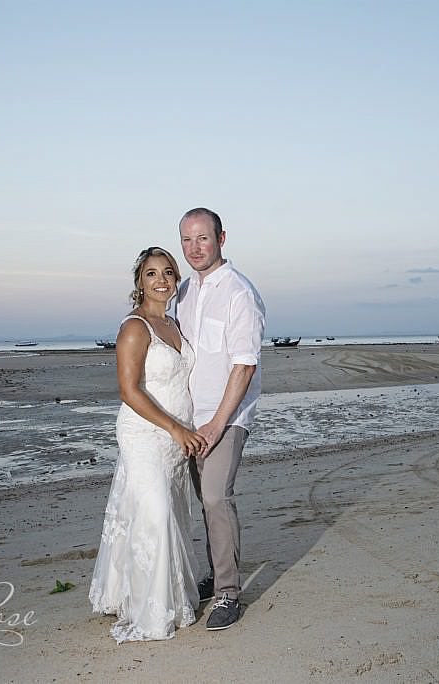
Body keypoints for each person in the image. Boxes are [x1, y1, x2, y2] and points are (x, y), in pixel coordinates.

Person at [89, 246, 207, 642]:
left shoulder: (175, 324)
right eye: (152, 273)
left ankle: (160, 595)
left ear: (176, 280)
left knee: (171, 513)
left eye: (169, 273)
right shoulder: (135, 328)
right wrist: (175, 429)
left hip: (179, 437)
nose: (162, 280)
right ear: (140, 282)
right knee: (156, 514)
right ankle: (151, 610)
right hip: (145, 433)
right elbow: (129, 390)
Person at [176, 207, 266, 631]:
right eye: (187, 240)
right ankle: (217, 572)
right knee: (203, 501)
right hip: (189, 417)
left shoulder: (239, 293)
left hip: (227, 416)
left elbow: (244, 366)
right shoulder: (183, 292)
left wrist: (217, 424)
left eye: (203, 239)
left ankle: (229, 593)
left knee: (215, 497)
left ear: (221, 239)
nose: (195, 248)